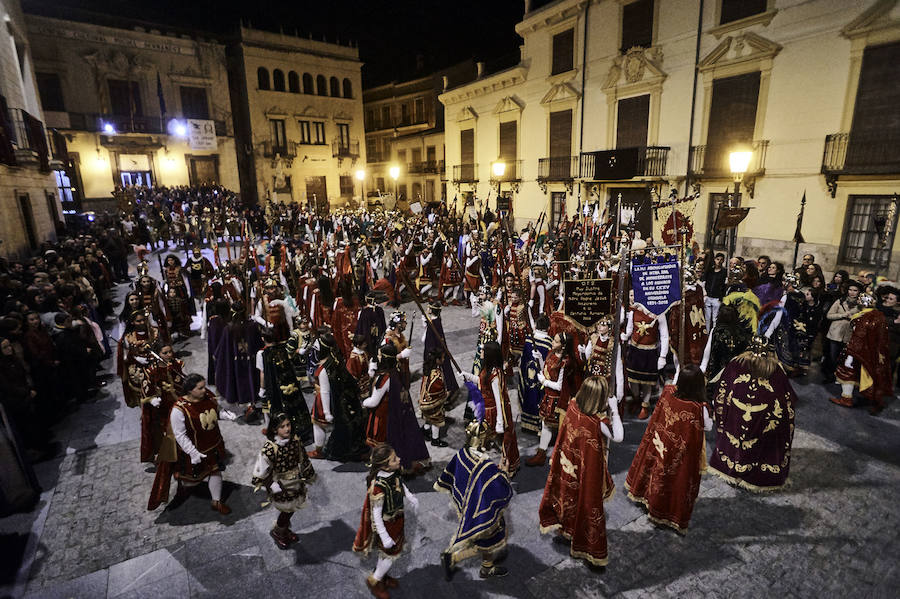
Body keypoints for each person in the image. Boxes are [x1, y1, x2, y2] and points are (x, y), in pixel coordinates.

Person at [538, 376, 623, 566]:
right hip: (586, 472)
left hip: (568, 467)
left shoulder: (573, 406)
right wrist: (615, 410)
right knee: (584, 502)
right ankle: (583, 542)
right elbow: (618, 437)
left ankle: (566, 531)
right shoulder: (598, 423)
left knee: (568, 498)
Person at [625, 365, 712, 532]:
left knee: (655, 472)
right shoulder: (698, 409)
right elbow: (707, 427)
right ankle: (665, 511)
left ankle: (648, 498)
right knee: (675, 480)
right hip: (680, 454)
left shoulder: (668, 392)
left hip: (660, 443)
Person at [709, 337, 796, 491]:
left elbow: (721, 391)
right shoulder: (777, 372)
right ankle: (755, 475)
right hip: (763, 420)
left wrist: (722, 416)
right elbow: (787, 401)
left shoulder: (736, 364)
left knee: (734, 440)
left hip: (736, 415)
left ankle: (732, 467)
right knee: (761, 446)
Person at [435, 419, 514, 581]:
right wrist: (505, 473)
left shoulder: (461, 454)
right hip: (482, 509)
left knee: (479, 537)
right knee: (490, 538)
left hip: (467, 505)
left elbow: (453, 476)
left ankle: (473, 562)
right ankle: (476, 565)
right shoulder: (486, 466)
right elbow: (500, 490)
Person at [352, 443, 419, 599]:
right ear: (385, 466)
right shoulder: (379, 488)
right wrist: (384, 536)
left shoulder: (393, 473)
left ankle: (382, 575)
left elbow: (400, 484)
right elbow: (376, 515)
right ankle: (375, 580)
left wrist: (409, 496)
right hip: (388, 525)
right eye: (394, 459)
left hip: (398, 519)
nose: (399, 459)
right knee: (390, 553)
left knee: (390, 553)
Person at [165, 374, 230, 514]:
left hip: (213, 445)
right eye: (200, 388)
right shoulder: (179, 409)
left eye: (204, 386)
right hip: (194, 450)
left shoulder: (207, 399)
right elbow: (180, 435)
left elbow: (214, 413)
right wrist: (193, 453)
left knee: (215, 471)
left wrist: (224, 415)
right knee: (192, 480)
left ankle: (216, 501)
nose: (204, 390)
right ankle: (183, 488)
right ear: (189, 390)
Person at [362, 344, 431, 474]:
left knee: (380, 443)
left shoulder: (384, 378)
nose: (378, 357)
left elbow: (374, 401)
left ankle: (380, 464)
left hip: (383, 415)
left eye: (380, 355)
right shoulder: (396, 371)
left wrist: (363, 402)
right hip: (396, 412)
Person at [251, 413, 316, 549]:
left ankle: (284, 529)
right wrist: (271, 484)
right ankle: (278, 531)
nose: (287, 429)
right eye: (282, 427)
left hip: (295, 481)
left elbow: (303, 458)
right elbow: (262, 470)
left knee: (292, 508)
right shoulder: (269, 448)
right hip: (280, 484)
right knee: (287, 510)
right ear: (275, 429)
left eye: (288, 425)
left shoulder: (295, 440)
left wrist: (308, 473)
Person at [461, 340, 520, 475]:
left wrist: (500, 422)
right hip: (485, 410)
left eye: (482, 351)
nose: (480, 352)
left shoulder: (496, 375)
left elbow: (499, 400)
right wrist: (468, 376)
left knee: (495, 440)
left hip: (493, 413)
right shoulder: (487, 369)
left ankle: (505, 465)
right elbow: (481, 381)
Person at [830, 293, 892, 415]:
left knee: (847, 371)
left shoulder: (865, 317)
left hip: (858, 351)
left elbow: (859, 337)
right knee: (865, 374)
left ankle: (846, 398)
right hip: (871, 353)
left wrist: (851, 351)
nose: (858, 299)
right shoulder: (878, 316)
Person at [526, 331, 578, 466]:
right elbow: (547, 370)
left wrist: (543, 381)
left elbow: (560, 386)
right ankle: (541, 453)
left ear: (563, 345)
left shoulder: (566, 363)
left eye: (555, 341)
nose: (552, 343)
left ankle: (558, 456)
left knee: (560, 429)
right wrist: (540, 359)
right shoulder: (551, 353)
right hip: (548, 396)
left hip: (558, 400)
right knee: (546, 425)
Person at [517, 313, 552, 435]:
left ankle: (526, 424)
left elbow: (523, 361)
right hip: (541, 377)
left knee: (528, 395)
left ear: (536, 326)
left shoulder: (528, 340)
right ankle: (538, 426)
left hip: (528, 375)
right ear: (548, 327)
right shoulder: (550, 343)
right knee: (539, 398)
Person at [822, 280, 862, 384]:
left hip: (849, 334)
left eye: (855, 290)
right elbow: (829, 315)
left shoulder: (861, 305)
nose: (852, 292)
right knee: (832, 356)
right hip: (835, 333)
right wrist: (842, 315)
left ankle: (841, 377)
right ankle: (830, 375)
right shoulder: (840, 301)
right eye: (850, 290)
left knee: (844, 358)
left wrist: (853, 317)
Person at [419, 348, 449, 447]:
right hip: (431, 404)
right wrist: (445, 394)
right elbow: (437, 390)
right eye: (442, 358)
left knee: (429, 417)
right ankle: (435, 439)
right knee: (437, 419)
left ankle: (425, 430)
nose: (443, 359)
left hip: (423, 401)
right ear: (437, 360)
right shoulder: (437, 375)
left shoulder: (428, 369)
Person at [702, 252, 726, 331]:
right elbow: (706, 282)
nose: (719, 261)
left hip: (717, 298)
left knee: (715, 319)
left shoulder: (724, 272)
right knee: (707, 318)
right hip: (708, 296)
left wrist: (721, 297)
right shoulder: (710, 271)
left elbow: (724, 286)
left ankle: (713, 335)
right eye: (717, 259)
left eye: (721, 260)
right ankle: (707, 334)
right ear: (715, 260)